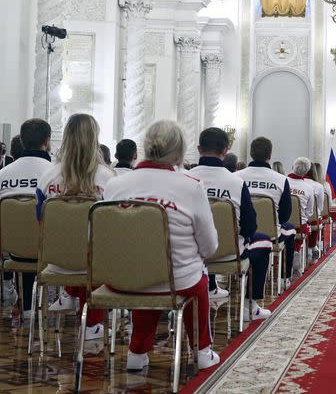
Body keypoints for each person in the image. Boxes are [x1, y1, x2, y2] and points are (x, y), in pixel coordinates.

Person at [103, 120, 220, 371]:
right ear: (179, 154)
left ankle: (136, 352)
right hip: (176, 279)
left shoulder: (114, 185)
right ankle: (202, 350)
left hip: (121, 277)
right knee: (194, 276)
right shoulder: (190, 186)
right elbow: (209, 247)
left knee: (144, 268)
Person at [36, 114, 116, 341]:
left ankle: (70, 292)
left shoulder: (47, 177)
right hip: (95, 264)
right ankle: (91, 324)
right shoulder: (109, 178)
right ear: (95, 139)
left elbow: (40, 221)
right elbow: (114, 228)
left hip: (56, 261)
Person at [189, 128, 271, 320]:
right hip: (229, 252)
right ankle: (251, 306)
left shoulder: (185, 177)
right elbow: (250, 224)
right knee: (264, 241)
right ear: (226, 150)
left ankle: (210, 286)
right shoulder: (236, 182)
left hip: (188, 252)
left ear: (199, 148)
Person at [0, 119, 53, 310]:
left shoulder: (2, 175)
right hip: (50, 252)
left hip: (11, 251)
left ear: (21, 141)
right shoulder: (57, 175)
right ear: (47, 141)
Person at [235, 137, 296, 287]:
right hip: (272, 233)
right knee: (291, 230)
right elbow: (285, 215)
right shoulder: (281, 179)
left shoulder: (235, 177)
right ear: (269, 155)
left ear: (251, 153)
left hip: (239, 233)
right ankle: (284, 278)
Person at [287, 158, 315, 276]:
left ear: (292, 166)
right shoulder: (308, 188)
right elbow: (309, 212)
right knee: (305, 225)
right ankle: (297, 251)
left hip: (281, 225)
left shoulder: (282, 181)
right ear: (306, 171)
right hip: (299, 226)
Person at [304, 161, 326, 263]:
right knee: (316, 217)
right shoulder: (318, 186)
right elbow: (320, 207)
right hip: (312, 219)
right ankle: (311, 247)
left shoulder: (293, 184)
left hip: (295, 220)